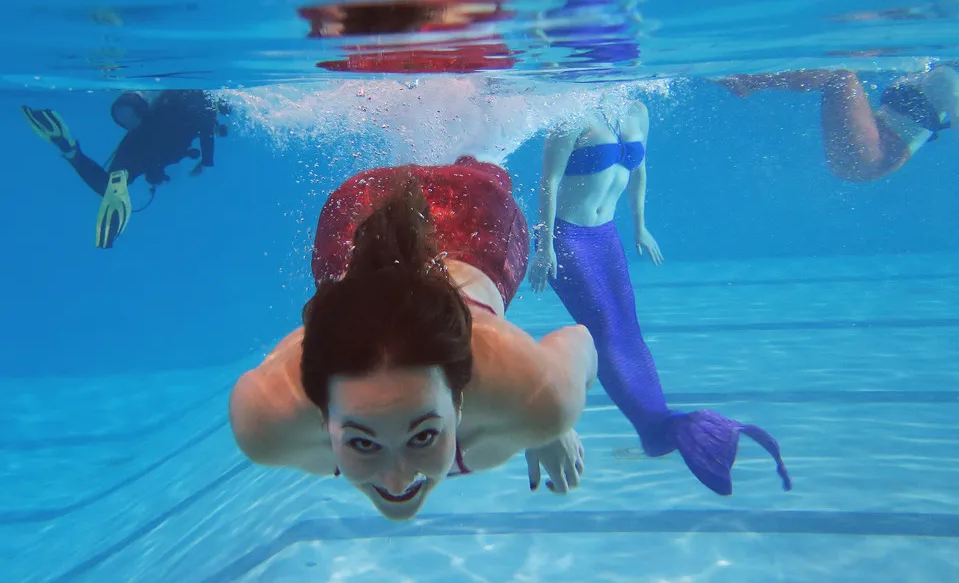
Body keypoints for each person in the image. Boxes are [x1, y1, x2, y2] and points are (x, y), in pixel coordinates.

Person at [228, 157, 598, 521]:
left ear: (459, 400)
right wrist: (539, 420)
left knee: (482, 163)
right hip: (454, 221)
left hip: (393, 211)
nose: (397, 479)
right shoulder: (267, 421)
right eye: (362, 442)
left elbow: (581, 342)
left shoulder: (539, 398)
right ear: (322, 416)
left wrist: (546, 421)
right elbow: (578, 340)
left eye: (423, 436)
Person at [527, 99, 791, 496]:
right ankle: (654, 429)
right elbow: (548, 181)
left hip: (607, 236)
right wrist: (543, 246)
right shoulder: (571, 112)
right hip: (570, 240)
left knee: (629, 331)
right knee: (608, 332)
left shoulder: (635, 110)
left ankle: (661, 424)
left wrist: (640, 226)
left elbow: (640, 170)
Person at [718, 62, 959, 187]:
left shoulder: (949, 78)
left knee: (839, 75)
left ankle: (749, 82)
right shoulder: (923, 69)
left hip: (872, 157)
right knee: (838, 77)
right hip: (862, 159)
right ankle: (748, 82)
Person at [21, 90, 230, 248]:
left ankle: (70, 151)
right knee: (122, 179)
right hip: (163, 138)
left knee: (109, 184)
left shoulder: (183, 104)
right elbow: (203, 128)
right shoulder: (201, 105)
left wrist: (155, 174)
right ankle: (73, 154)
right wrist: (206, 162)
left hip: (142, 134)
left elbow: (156, 155)